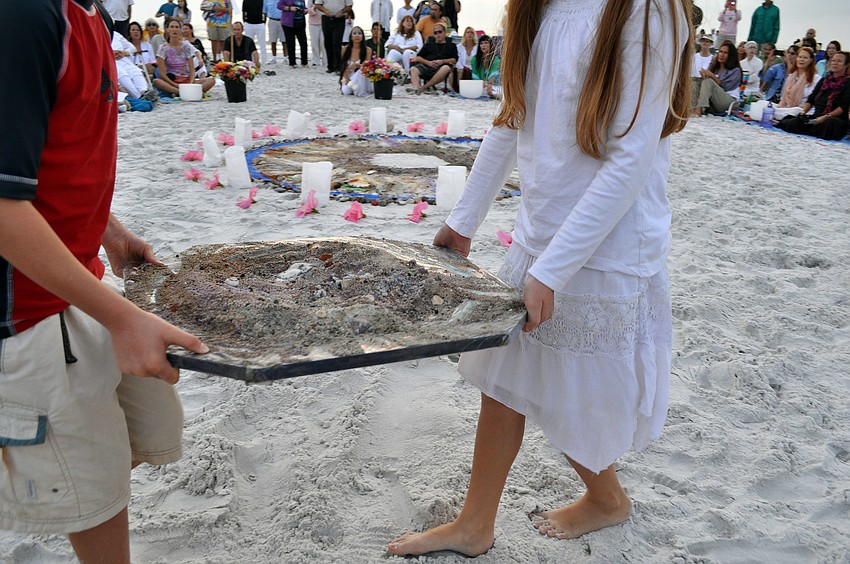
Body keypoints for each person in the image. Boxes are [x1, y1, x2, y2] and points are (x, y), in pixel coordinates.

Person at [387, 0, 691, 556]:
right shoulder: (537, 7)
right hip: (540, 231)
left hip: (605, 244)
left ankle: (605, 499)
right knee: (508, 375)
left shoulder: (646, 11)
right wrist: (463, 220)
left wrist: (552, 270)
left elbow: (632, 158)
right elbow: (514, 113)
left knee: (573, 390)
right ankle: (476, 523)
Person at [1, 2, 208, 562]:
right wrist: (120, 317)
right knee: (90, 482)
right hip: (25, 309)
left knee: (138, 434)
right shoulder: (26, 14)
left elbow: (54, 151)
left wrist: (108, 231)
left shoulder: (91, 14)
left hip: (76, 283)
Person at [776, 51, 850, 140]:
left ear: (846, 65)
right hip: (816, 117)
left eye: (839, 61)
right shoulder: (824, 80)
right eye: (833, 60)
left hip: (833, 119)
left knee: (830, 124)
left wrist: (825, 117)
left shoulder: (847, 83)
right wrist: (803, 113)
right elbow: (811, 100)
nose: (835, 63)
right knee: (792, 123)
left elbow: (843, 107)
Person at [153, 19, 216, 95]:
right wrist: (175, 85)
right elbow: (161, 73)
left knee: (211, 80)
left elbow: (192, 70)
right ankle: (182, 92)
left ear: (180, 30)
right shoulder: (163, 48)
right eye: (172, 27)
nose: (174, 29)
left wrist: (191, 82)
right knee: (157, 81)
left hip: (186, 79)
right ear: (167, 30)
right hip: (171, 80)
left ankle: (185, 92)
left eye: (177, 27)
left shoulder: (186, 47)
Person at [693, 40, 742, 115]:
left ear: (731, 55)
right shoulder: (714, 67)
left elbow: (725, 87)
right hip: (714, 101)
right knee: (695, 82)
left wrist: (712, 75)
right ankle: (691, 107)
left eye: (725, 53)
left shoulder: (735, 71)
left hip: (728, 101)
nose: (722, 55)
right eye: (720, 51)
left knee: (708, 81)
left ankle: (698, 110)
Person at [409, 21, 456, 94]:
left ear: (444, 32)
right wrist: (428, 62)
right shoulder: (429, 44)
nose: (438, 34)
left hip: (441, 67)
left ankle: (424, 87)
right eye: (435, 33)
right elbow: (418, 57)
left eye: (440, 32)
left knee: (446, 68)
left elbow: (454, 59)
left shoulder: (451, 45)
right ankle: (416, 88)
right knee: (413, 69)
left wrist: (442, 61)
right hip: (427, 65)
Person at [314, 0, 353, 74]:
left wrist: (342, 11)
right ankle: (330, 66)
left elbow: (349, 6)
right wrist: (326, 11)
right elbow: (318, 5)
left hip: (339, 19)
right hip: (326, 18)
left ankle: (338, 66)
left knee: (337, 43)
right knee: (327, 42)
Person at [112, 31, 150, 99]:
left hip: (123, 59)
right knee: (123, 75)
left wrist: (124, 52)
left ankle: (144, 91)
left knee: (135, 72)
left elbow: (131, 47)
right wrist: (110, 54)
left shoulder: (116, 34)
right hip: (110, 62)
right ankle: (138, 97)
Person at [339, 26, 372, 96]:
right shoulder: (345, 49)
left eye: (359, 33)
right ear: (351, 36)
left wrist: (356, 65)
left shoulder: (367, 50)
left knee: (361, 71)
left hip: (362, 77)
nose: (357, 36)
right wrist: (347, 80)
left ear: (363, 36)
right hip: (349, 78)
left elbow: (367, 67)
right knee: (346, 91)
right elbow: (342, 66)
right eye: (354, 33)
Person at [278, 0, 309, 67]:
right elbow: (279, 6)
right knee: (291, 43)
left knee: (303, 43)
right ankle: (292, 62)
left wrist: (305, 10)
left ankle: (304, 62)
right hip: (288, 23)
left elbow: (304, 7)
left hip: (300, 23)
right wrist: (290, 8)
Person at [243, 0, 269, 67]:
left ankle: (264, 60)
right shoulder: (246, 1)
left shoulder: (263, 1)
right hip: (249, 24)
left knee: (262, 43)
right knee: (248, 43)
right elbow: (244, 12)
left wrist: (263, 23)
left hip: (260, 23)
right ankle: (249, 59)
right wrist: (245, 23)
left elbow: (265, 12)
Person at [691, 35, 714, 106]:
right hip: (694, 80)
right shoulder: (694, 56)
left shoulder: (713, 58)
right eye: (703, 41)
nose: (705, 43)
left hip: (705, 81)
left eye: (707, 41)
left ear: (710, 44)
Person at [264, 0, 285, 64]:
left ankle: (285, 57)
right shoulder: (266, 1)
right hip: (272, 20)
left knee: (284, 40)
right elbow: (264, 11)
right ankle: (274, 57)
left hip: (283, 20)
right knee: (273, 40)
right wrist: (263, 23)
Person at [306, 0, 324, 67]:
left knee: (323, 43)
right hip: (313, 23)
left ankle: (326, 61)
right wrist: (314, 7)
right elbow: (308, 10)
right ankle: (315, 61)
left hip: (324, 22)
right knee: (314, 43)